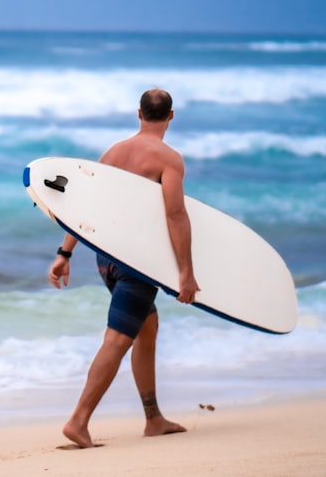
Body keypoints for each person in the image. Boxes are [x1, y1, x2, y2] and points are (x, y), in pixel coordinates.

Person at [48, 87, 200, 449]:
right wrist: (186, 273)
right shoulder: (169, 160)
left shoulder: (113, 153)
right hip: (137, 263)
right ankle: (79, 421)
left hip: (107, 260)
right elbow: (175, 214)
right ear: (171, 116)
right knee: (118, 339)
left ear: (139, 113)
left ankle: (153, 419)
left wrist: (65, 254)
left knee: (147, 326)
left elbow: (86, 208)